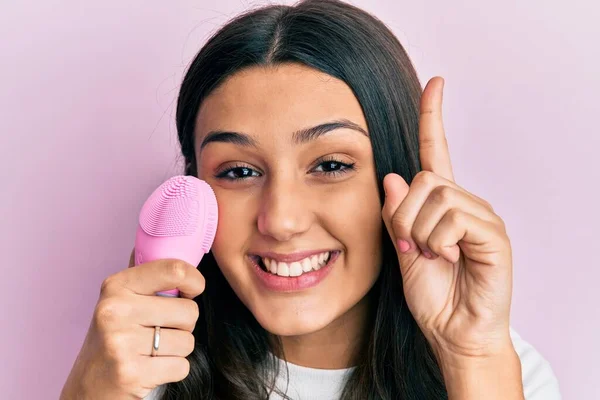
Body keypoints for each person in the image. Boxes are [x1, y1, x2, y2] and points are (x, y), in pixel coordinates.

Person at [60, 0, 561, 399]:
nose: (281, 220)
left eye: (330, 166)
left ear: (400, 180)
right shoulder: (136, 373)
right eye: (238, 171)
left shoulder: (499, 371)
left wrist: (470, 359)